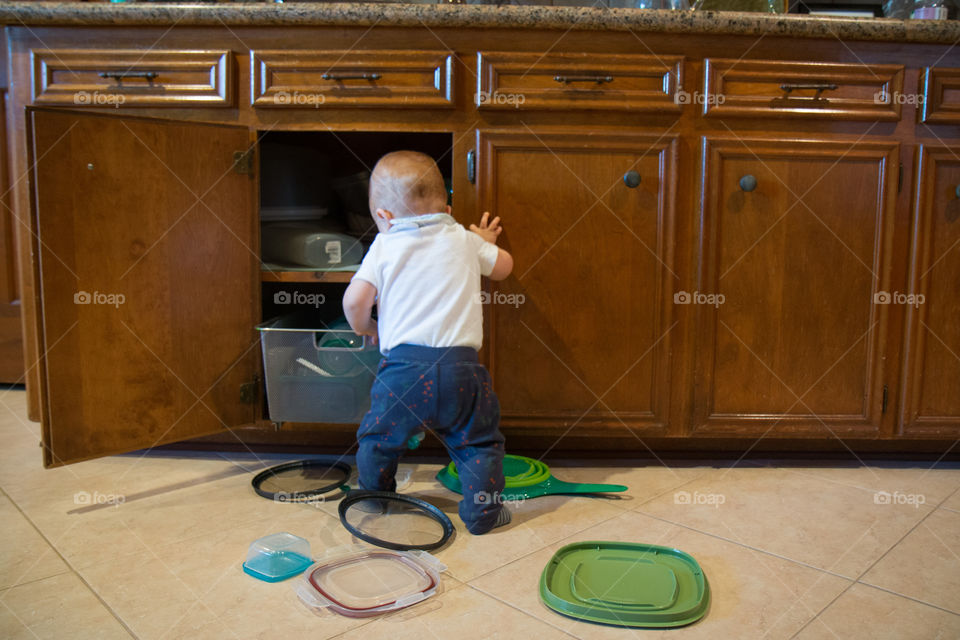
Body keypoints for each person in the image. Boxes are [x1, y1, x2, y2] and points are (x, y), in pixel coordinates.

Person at [342, 150, 514, 534]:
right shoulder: (464, 238)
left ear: (383, 217)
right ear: (447, 207)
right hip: (462, 372)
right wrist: (483, 241)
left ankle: (374, 498)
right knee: (479, 444)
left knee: (379, 439)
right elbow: (504, 267)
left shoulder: (384, 245)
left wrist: (367, 329)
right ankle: (482, 516)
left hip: (402, 375)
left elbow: (354, 301)